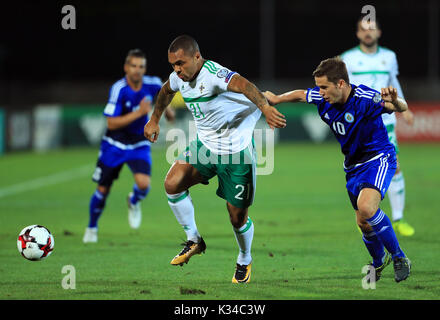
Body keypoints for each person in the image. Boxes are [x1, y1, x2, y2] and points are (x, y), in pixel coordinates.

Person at [143, 35, 286, 283]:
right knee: (172, 183)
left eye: (181, 63)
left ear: (197, 57)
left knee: (237, 217)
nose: (177, 69)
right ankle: (194, 239)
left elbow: (244, 85)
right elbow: (166, 90)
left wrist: (265, 109)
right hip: (206, 147)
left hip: (237, 152)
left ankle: (244, 258)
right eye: (173, 65)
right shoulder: (179, 78)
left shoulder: (214, 74)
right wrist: (154, 119)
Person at [264, 57, 411, 283]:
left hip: (378, 158)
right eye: (319, 86)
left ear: (341, 84)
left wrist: (397, 100)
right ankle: (379, 262)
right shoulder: (323, 98)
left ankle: (400, 257)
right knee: (363, 222)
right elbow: (302, 94)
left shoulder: (365, 98)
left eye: (324, 87)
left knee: (366, 207)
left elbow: (397, 107)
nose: (320, 92)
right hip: (352, 167)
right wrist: (277, 99)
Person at [83, 49, 175, 243]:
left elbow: (164, 94)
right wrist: (140, 112)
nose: (137, 70)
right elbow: (111, 123)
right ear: (126, 67)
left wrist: (168, 111)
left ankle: (133, 201)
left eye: (141, 66)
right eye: (133, 66)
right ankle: (92, 227)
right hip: (114, 144)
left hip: (139, 142)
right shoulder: (119, 89)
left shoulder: (152, 83)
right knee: (103, 189)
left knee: (144, 185)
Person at [340, 17, 415, 236]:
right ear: (358, 34)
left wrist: (405, 108)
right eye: (364, 30)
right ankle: (367, 214)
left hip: (386, 119)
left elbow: (394, 82)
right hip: (360, 122)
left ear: (379, 33)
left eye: (371, 29)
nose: (368, 33)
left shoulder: (389, 57)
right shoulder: (348, 58)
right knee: (362, 168)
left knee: (395, 165)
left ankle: (398, 218)